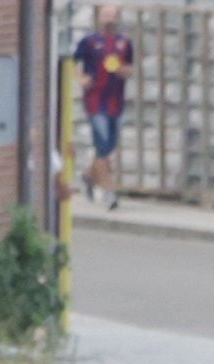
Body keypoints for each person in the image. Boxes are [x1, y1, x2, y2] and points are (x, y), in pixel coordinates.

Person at [77, 5, 135, 211]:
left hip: (115, 101)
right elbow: (75, 63)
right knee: (102, 145)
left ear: (117, 18)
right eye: (105, 14)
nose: (108, 18)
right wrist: (81, 78)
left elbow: (130, 67)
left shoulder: (124, 42)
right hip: (95, 100)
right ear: (99, 17)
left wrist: (122, 70)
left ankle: (87, 176)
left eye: (112, 15)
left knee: (108, 147)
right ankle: (109, 192)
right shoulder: (89, 42)